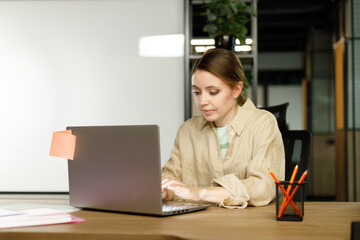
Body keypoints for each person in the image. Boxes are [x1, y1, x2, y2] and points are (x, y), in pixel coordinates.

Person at [161, 48, 285, 209]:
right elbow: (170, 177)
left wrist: (200, 193)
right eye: (197, 92)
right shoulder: (187, 131)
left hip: (250, 226)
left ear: (236, 90)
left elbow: (263, 187)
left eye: (213, 92)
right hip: (198, 226)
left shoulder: (262, 123)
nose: (203, 101)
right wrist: (167, 191)